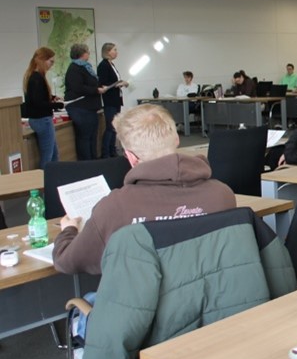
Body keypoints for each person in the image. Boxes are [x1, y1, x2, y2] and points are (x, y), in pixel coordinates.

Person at [52, 104, 237, 275]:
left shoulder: (115, 207)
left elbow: (66, 262)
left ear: (131, 157)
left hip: (146, 309)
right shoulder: (222, 195)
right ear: (177, 138)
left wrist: (68, 231)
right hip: (215, 304)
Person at [23, 47, 64, 169]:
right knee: (48, 157)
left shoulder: (34, 76)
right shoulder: (36, 78)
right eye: (50, 61)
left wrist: (52, 97)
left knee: (54, 154)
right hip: (42, 120)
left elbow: (38, 97)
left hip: (40, 119)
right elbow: (38, 103)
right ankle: (45, 183)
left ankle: (54, 179)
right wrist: (58, 105)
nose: (51, 65)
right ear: (41, 60)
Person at [64, 43, 104, 161]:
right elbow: (78, 87)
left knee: (92, 136)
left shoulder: (86, 67)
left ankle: (93, 160)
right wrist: (96, 90)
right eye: (87, 51)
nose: (89, 54)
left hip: (90, 108)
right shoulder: (74, 69)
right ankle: (86, 163)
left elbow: (91, 83)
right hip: (80, 108)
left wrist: (100, 87)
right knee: (84, 137)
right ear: (82, 54)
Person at [97, 42, 128, 158]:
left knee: (114, 126)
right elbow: (104, 83)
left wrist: (121, 83)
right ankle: (106, 152)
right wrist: (117, 84)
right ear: (107, 52)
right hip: (109, 100)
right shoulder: (103, 65)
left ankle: (112, 149)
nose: (116, 52)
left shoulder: (111, 65)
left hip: (116, 99)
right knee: (110, 127)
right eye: (114, 50)